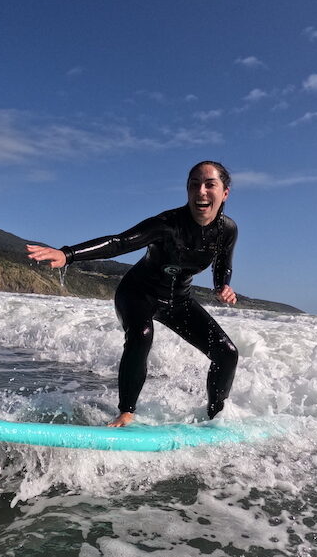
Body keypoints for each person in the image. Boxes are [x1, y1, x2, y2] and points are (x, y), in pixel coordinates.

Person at [27, 161, 239, 427]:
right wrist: (67, 254)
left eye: (210, 184)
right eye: (194, 184)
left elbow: (223, 265)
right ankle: (126, 412)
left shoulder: (227, 230)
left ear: (225, 193)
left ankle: (214, 417)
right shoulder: (167, 224)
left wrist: (222, 286)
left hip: (178, 300)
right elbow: (120, 242)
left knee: (227, 353)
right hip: (138, 293)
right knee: (141, 335)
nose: (201, 191)